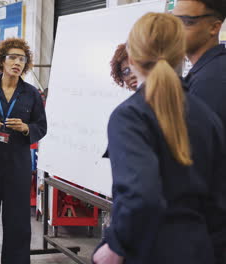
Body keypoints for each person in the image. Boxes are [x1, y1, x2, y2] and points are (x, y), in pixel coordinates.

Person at [92, 13, 226, 264]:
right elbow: (219, 203)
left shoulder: (129, 116)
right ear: (180, 54)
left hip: (147, 249)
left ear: (131, 58)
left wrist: (116, 247)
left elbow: (141, 195)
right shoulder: (207, 116)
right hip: (200, 249)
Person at [0, 38, 47, 264]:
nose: (17, 62)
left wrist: (26, 128)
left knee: (18, 222)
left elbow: (41, 126)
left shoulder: (32, 94)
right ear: (1, 61)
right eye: (12, 57)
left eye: (22, 59)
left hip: (18, 163)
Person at [173, 1, 226, 260]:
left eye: (186, 22)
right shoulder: (203, 74)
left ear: (214, 26)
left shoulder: (213, 81)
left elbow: (192, 164)